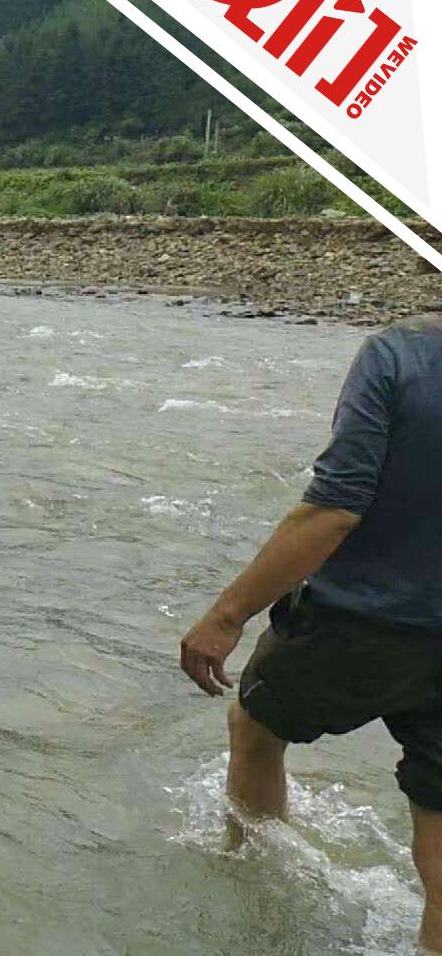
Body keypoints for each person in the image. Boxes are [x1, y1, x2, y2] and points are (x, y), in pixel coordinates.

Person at [179, 316, 442, 952]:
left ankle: (253, 890)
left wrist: (226, 615)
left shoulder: (399, 356)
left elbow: (335, 508)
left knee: (256, 725)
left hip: (364, 623)